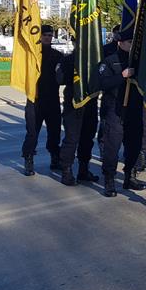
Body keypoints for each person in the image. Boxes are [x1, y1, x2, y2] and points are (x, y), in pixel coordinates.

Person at [97, 30, 139, 196]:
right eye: (128, 42)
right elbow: (102, 83)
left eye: (132, 42)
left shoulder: (136, 61)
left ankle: (130, 175)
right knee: (112, 146)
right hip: (115, 109)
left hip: (133, 109)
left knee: (134, 145)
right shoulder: (109, 61)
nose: (131, 45)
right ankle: (109, 179)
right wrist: (122, 76)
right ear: (120, 43)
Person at [21, 25, 64, 176]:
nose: (47, 37)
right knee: (32, 133)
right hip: (35, 100)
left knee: (55, 132)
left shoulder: (58, 55)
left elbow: (62, 77)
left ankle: (55, 158)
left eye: (50, 35)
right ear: (39, 36)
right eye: (44, 34)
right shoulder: (32, 56)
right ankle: (29, 160)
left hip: (52, 100)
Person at [57, 42, 100, 186]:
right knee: (71, 139)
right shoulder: (68, 59)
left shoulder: (95, 59)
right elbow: (60, 79)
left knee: (87, 138)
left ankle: (83, 170)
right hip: (73, 104)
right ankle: (66, 171)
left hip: (90, 103)